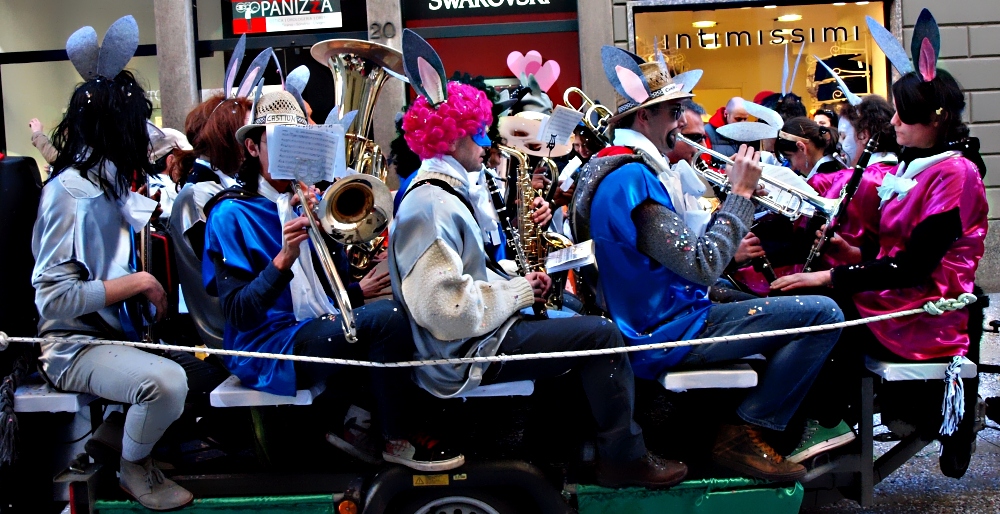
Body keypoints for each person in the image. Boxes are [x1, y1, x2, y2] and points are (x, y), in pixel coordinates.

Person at [389, 30, 687, 489]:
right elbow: (446, 311)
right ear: (447, 140)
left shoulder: (444, 193)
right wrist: (522, 289)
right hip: (463, 353)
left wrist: (522, 280)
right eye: (475, 134)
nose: (486, 144)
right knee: (600, 335)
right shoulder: (431, 204)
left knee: (578, 317)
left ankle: (559, 456)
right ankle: (623, 458)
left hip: (477, 336)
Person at [572, 46, 844, 481]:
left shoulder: (608, 168)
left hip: (655, 315)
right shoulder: (632, 177)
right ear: (643, 117)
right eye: (674, 111)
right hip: (665, 327)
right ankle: (744, 433)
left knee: (767, 300)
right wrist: (739, 196)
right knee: (825, 315)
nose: (681, 121)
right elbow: (700, 264)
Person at [772, 10, 988, 476]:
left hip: (923, 309)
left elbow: (916, 266)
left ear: (934, 118)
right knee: (809, 302)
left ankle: (824, 424)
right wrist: (844, 253)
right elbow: (888, 254)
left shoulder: (956, 174)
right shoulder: (919, 166)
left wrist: (832, 275)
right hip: (898, 295)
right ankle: (817, 424)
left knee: (822, 312)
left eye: (902, 112)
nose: (893, 120)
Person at [203, 88, 460, 471]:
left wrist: (334, 243)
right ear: (254, 149)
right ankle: (394, 437)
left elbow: (323, 294)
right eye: (280, 143)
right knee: (386, 320)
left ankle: (362, 424)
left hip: (308, 327)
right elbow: (239, 315)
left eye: (299, 143)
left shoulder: (305, 199)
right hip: (268, 347)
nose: (293, 156)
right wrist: (284, 258)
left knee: (399, 310)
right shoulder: (229, 213)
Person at [30, 16, 192, 510]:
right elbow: (52, 296)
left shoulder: (110, 185)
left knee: (208, 366)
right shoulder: (69, 195)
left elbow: (159, 142)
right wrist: (139, 282)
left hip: (115, 337)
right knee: (165, 384)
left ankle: (109, 438)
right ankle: (132, 467)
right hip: (74, 346)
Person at [773, 117, 845, 179]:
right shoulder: (837, 168)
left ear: (801, 148)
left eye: (790, 159)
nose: (792, 167)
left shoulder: (820, 181)